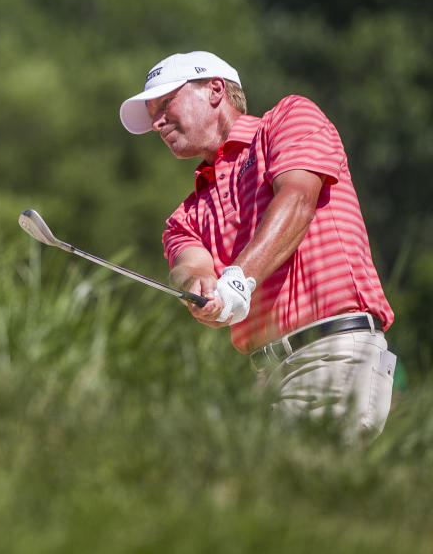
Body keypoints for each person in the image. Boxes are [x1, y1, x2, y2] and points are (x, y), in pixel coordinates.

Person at [119, 51, 397, 443]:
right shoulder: (186, 214)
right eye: (152, 114)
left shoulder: (288, 119)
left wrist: (237, 280)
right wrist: (202, 288)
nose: (157, 122)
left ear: (215, 89)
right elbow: (189, 264)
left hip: (332, 353)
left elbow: (298, 198)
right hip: (267, 378)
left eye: (166, 104)